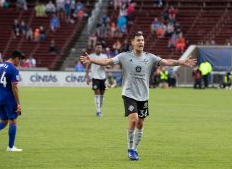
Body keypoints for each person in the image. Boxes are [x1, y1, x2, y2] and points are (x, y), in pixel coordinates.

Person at [80, 31, 196, 161]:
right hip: (129, 93)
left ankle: (135, 148)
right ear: (133, 43)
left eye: (142, 40)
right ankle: (130, 149)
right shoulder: (124, 56)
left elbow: (166, 61)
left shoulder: (150, 57)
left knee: (140, 123)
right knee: (134, 119)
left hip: (143, 95)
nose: (141, 42)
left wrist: (181, 62)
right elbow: (107, 61)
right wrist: (91, 60)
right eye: (138, 40)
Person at [0, 50, 25, 152]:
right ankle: (10, 147)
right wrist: (18, 103)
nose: (19, 64)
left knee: (4, 121)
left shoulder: (0, 65)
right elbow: (14, 87)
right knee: (13, 121)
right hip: (9, 99)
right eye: (19, 61)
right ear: (16, 58)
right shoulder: (13, 69)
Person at [85, 43, 108, 117]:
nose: (99, 49)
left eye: (100, 48)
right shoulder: (91, 56)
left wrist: (103, 65)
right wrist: (87, 76)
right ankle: (98, 111)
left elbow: (106, 66)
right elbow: (87, 66)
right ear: (95, 48)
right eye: (98, 47)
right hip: (95, 78)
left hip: (103, 77)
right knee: (97, 94)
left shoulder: (104, 56)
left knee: (102, 95)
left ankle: (99, 109)